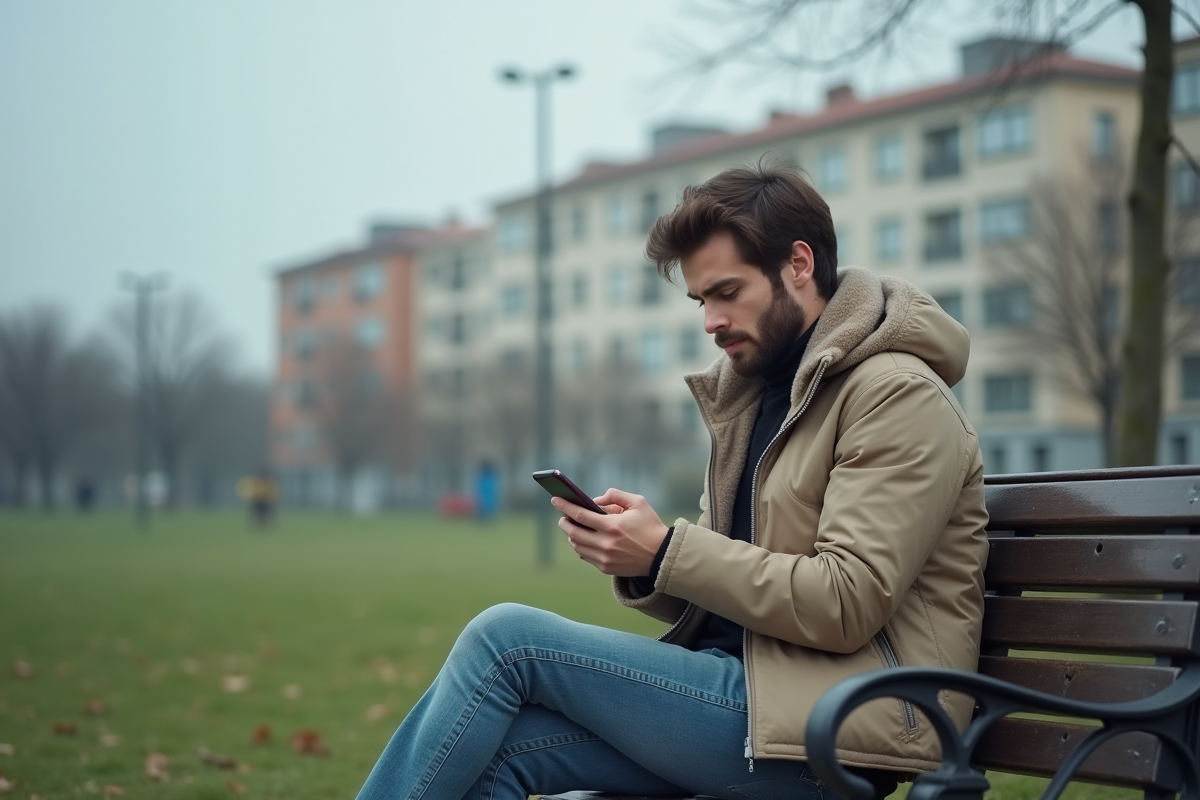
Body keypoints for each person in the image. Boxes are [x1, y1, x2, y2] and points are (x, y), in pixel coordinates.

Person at [355, 163, 989, 800]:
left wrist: (666, 551)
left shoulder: (895, 395)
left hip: (836, 728)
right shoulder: (759, 394)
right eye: (701, 300)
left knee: (505, 640)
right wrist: (644, 557)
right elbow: (740, 585)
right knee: (497, 759)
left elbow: (847, 602)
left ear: (798, 264)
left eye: (727, 292)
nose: (710, 321)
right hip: (747, 698)